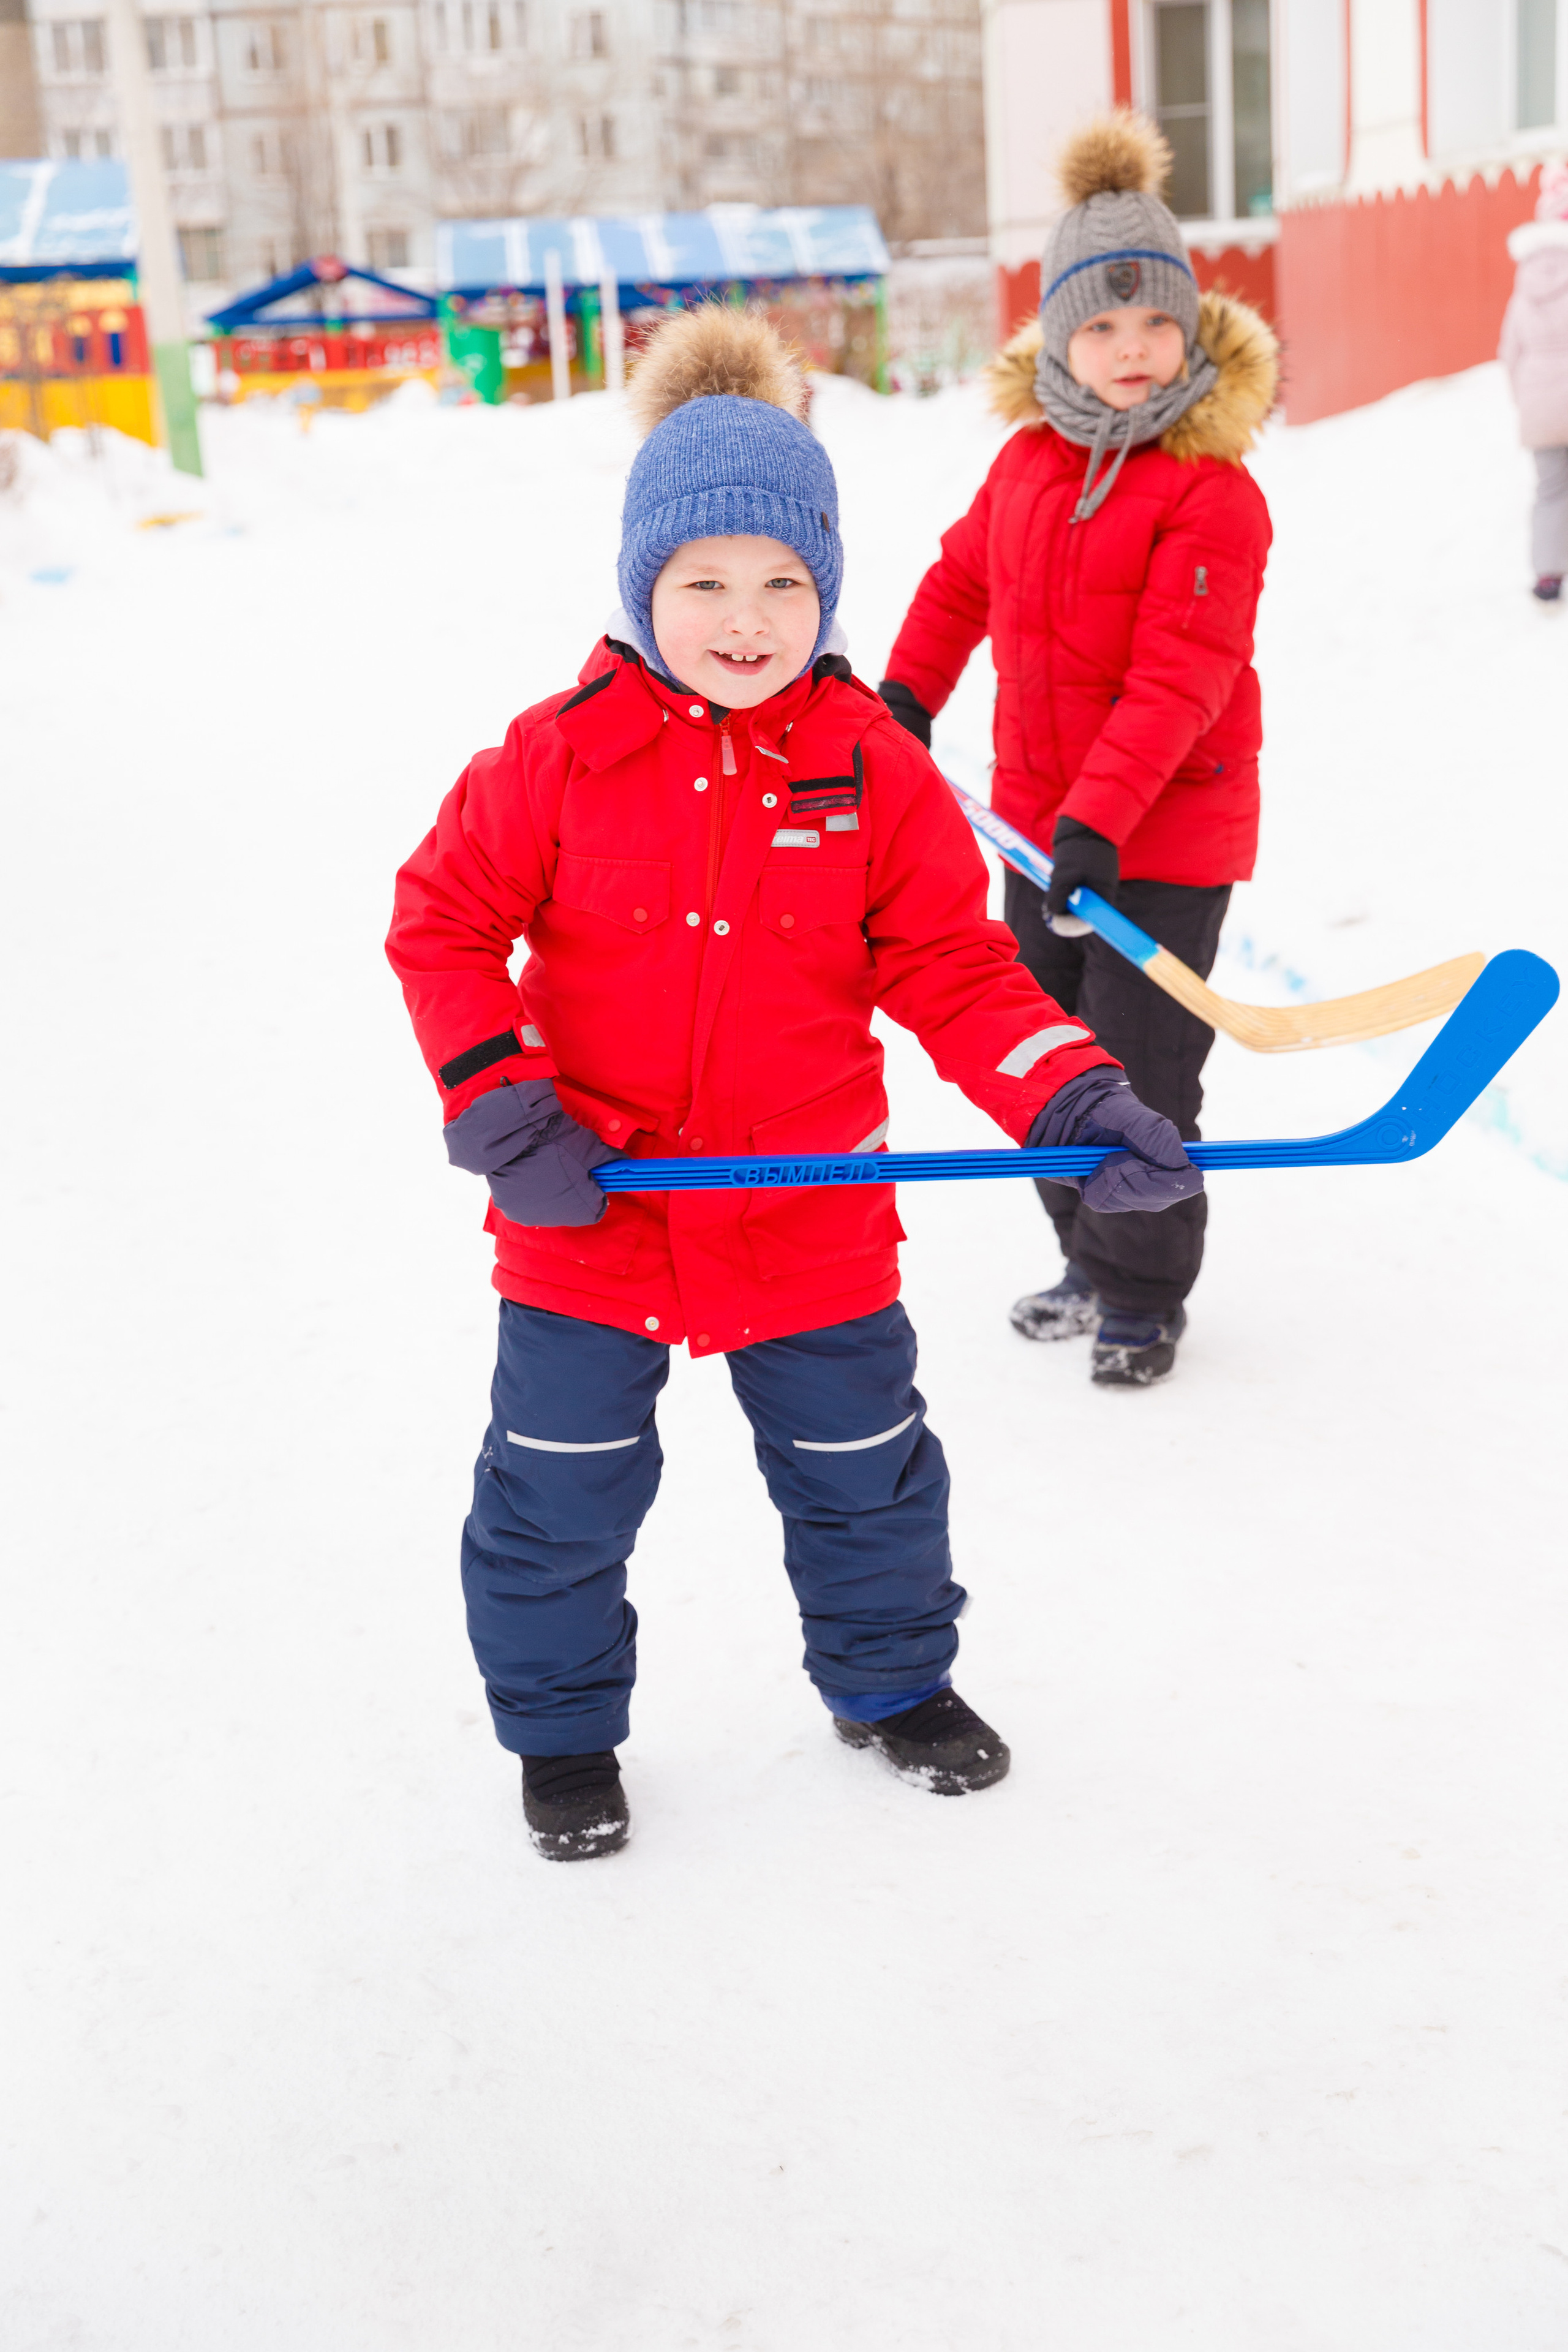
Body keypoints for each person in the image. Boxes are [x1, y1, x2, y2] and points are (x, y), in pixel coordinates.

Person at [386, 306, 1199, 1861]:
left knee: (863, 1471)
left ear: (825, 592)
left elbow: (956, 972)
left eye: (783, 582)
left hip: (806, 1202)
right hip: (592, 1207)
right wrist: (502, 1109)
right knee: (555, 1492)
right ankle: (561, 1732)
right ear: (642, 586)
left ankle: (891, 1685)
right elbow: (439, 921)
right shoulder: (555, 758)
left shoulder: (868, 766)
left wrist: (1076, 1101)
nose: (744, 617)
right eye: (703, 583)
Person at [878, 111, 1278, 1387]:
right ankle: (1083, 1250)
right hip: (1035, 836)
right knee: (1044, 1059)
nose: (1127, 350)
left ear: (1189, 330)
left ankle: (1143, 1293)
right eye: (1098, 327)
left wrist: (1098, 820)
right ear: (1057, 333)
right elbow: (956, 585)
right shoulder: (1024, 464)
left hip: (1154, 842)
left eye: (1152, 323)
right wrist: (903, 693)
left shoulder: (1212, 490)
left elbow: (1181, 678)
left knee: (1137, 1075)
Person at [1501, 159, 1568, 603]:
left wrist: (1525, 399)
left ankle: (1548, 576)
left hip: (1540, 407)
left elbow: (1509, 352)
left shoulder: (1524, 286)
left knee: (1550, 491)